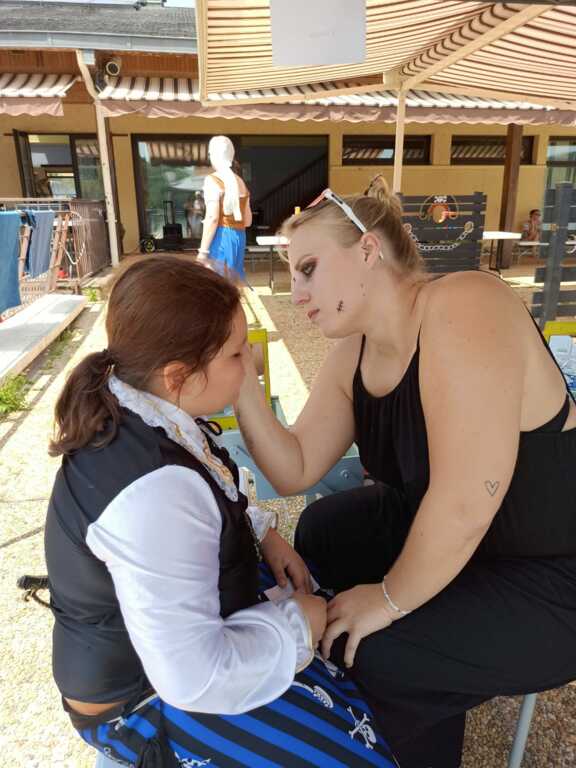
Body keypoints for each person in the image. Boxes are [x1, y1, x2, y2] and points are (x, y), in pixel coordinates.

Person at [234, 179, 576, 768]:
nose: (296, 293)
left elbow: (466, 500)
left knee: (376, 652)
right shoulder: (354, 351)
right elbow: (296, 468)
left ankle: (390, 694)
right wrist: (238, 374)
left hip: (550, 570)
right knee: (323, 529)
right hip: (463, 542)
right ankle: (405, 692)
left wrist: (388, 600)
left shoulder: (467, 303)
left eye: (309, 268)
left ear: (368, 250)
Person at [44, 255, 398, 768]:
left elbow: (216, 482)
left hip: (169, 645)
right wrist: (298, 623)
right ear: (179, 376)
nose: (249, 362)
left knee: (343, 658)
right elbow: (194, 678)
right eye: (236, 354)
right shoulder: (155, 493)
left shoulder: (142, 404)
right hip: (143, 697)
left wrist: (265, 535)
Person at [197, 136, 252, 282]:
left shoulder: (212, 180)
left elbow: (212, 218)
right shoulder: (240, 182)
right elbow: (247, 221)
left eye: (210, 154)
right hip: (239, 237)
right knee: (232, 284)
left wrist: (203, 252)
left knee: (217, 284)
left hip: (221, 238)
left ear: (214, 155)